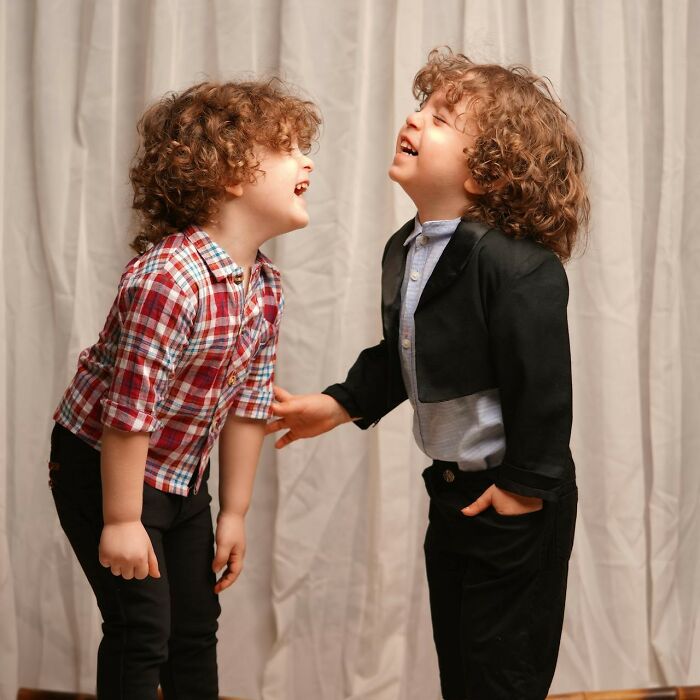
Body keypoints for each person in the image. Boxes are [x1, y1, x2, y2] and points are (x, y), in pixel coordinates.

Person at [266, 48, 589, 700]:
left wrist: (522, 491)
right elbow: (407, 351)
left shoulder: (516, 266)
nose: (414, 120)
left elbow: (544, 390)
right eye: (421, 109)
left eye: (441, 119)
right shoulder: (408, 247)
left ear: (489, 170)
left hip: (513, 499)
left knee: (503, 673)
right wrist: (339, 403)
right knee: (461, 665)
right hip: (451, 490)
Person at [48, 78, 319, 700]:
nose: (308, 163)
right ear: (229, 174)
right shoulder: (169, 279)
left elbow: (248, 408)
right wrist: (122, 520)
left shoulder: (265, 287)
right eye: (288, 149)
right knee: (142, 627)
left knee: (195, 628)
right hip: (104, 464)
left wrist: (234, 513)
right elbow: (128, 414)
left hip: (179, 475)